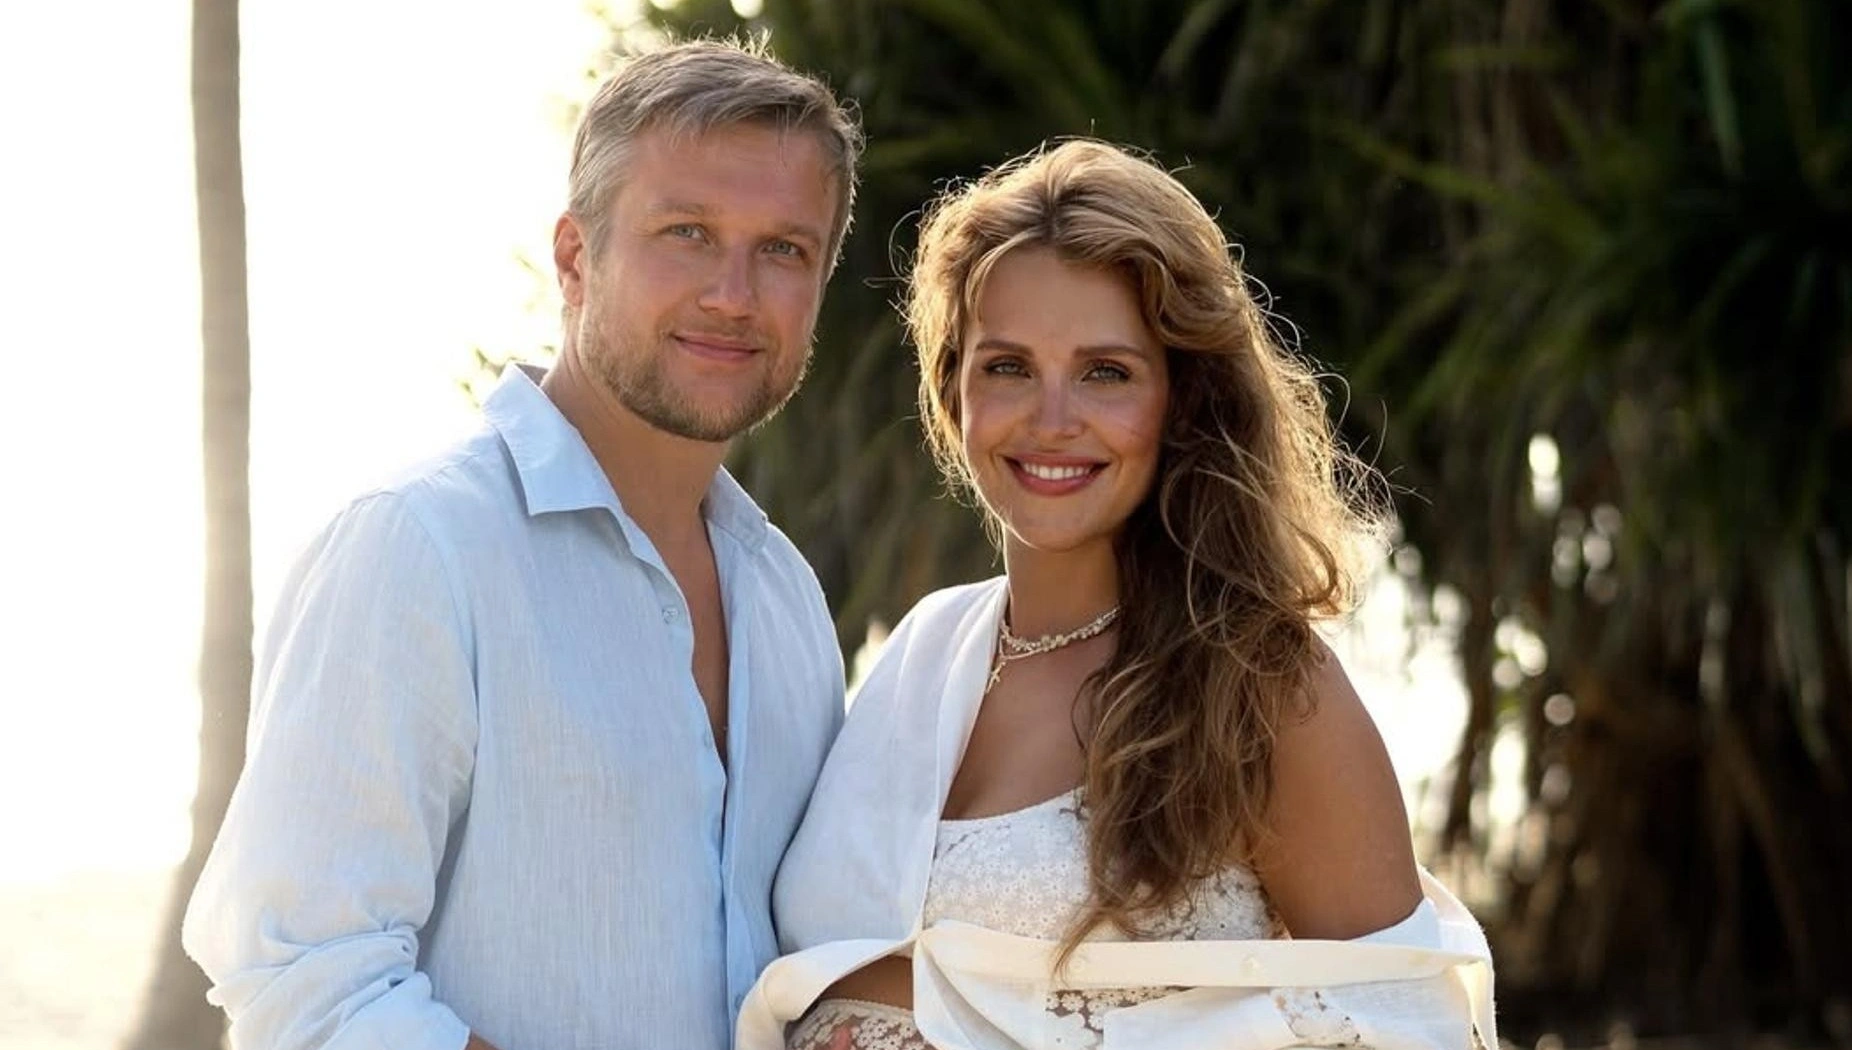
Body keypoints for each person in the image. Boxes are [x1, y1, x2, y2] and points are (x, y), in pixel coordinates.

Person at [739, 140, 1495, 1050]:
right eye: (1008, 366)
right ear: (952, 391)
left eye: (1106, 372)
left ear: (1182, 400)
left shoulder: (1260, 684)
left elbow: (1410, 1027)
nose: (1052, 419)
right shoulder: (920, 654)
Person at [182, 39, 862, 1050]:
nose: (733, 293)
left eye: (784, 250)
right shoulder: (419, 549)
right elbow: (307, 981)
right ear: (576, 258)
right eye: (686, 233)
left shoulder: (786, 597)